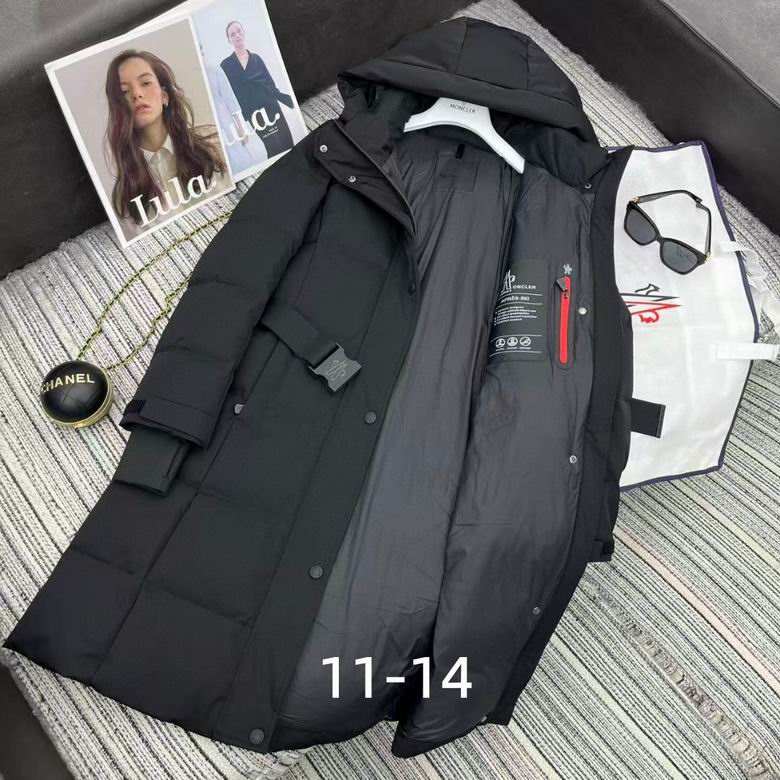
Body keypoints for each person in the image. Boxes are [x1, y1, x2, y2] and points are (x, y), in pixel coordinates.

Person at [104, 49, 230, 239]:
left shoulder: (213, 144)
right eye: (124, 92)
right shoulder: (126, 195)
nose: (137, 94)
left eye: (145, 83)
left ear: (164, 96)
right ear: (117, 108)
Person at [219, 20, 294, 157]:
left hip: (271, 105)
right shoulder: (225, 65)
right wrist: (238, 124)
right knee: (273, 147)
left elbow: (270, 84)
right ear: (229, 40)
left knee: (287, 142)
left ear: (244, 33)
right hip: (252, 112)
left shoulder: (256, 58)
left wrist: (287, 99)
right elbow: (228, 96)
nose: (237, 35)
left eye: (239, 31)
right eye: (232, 34)